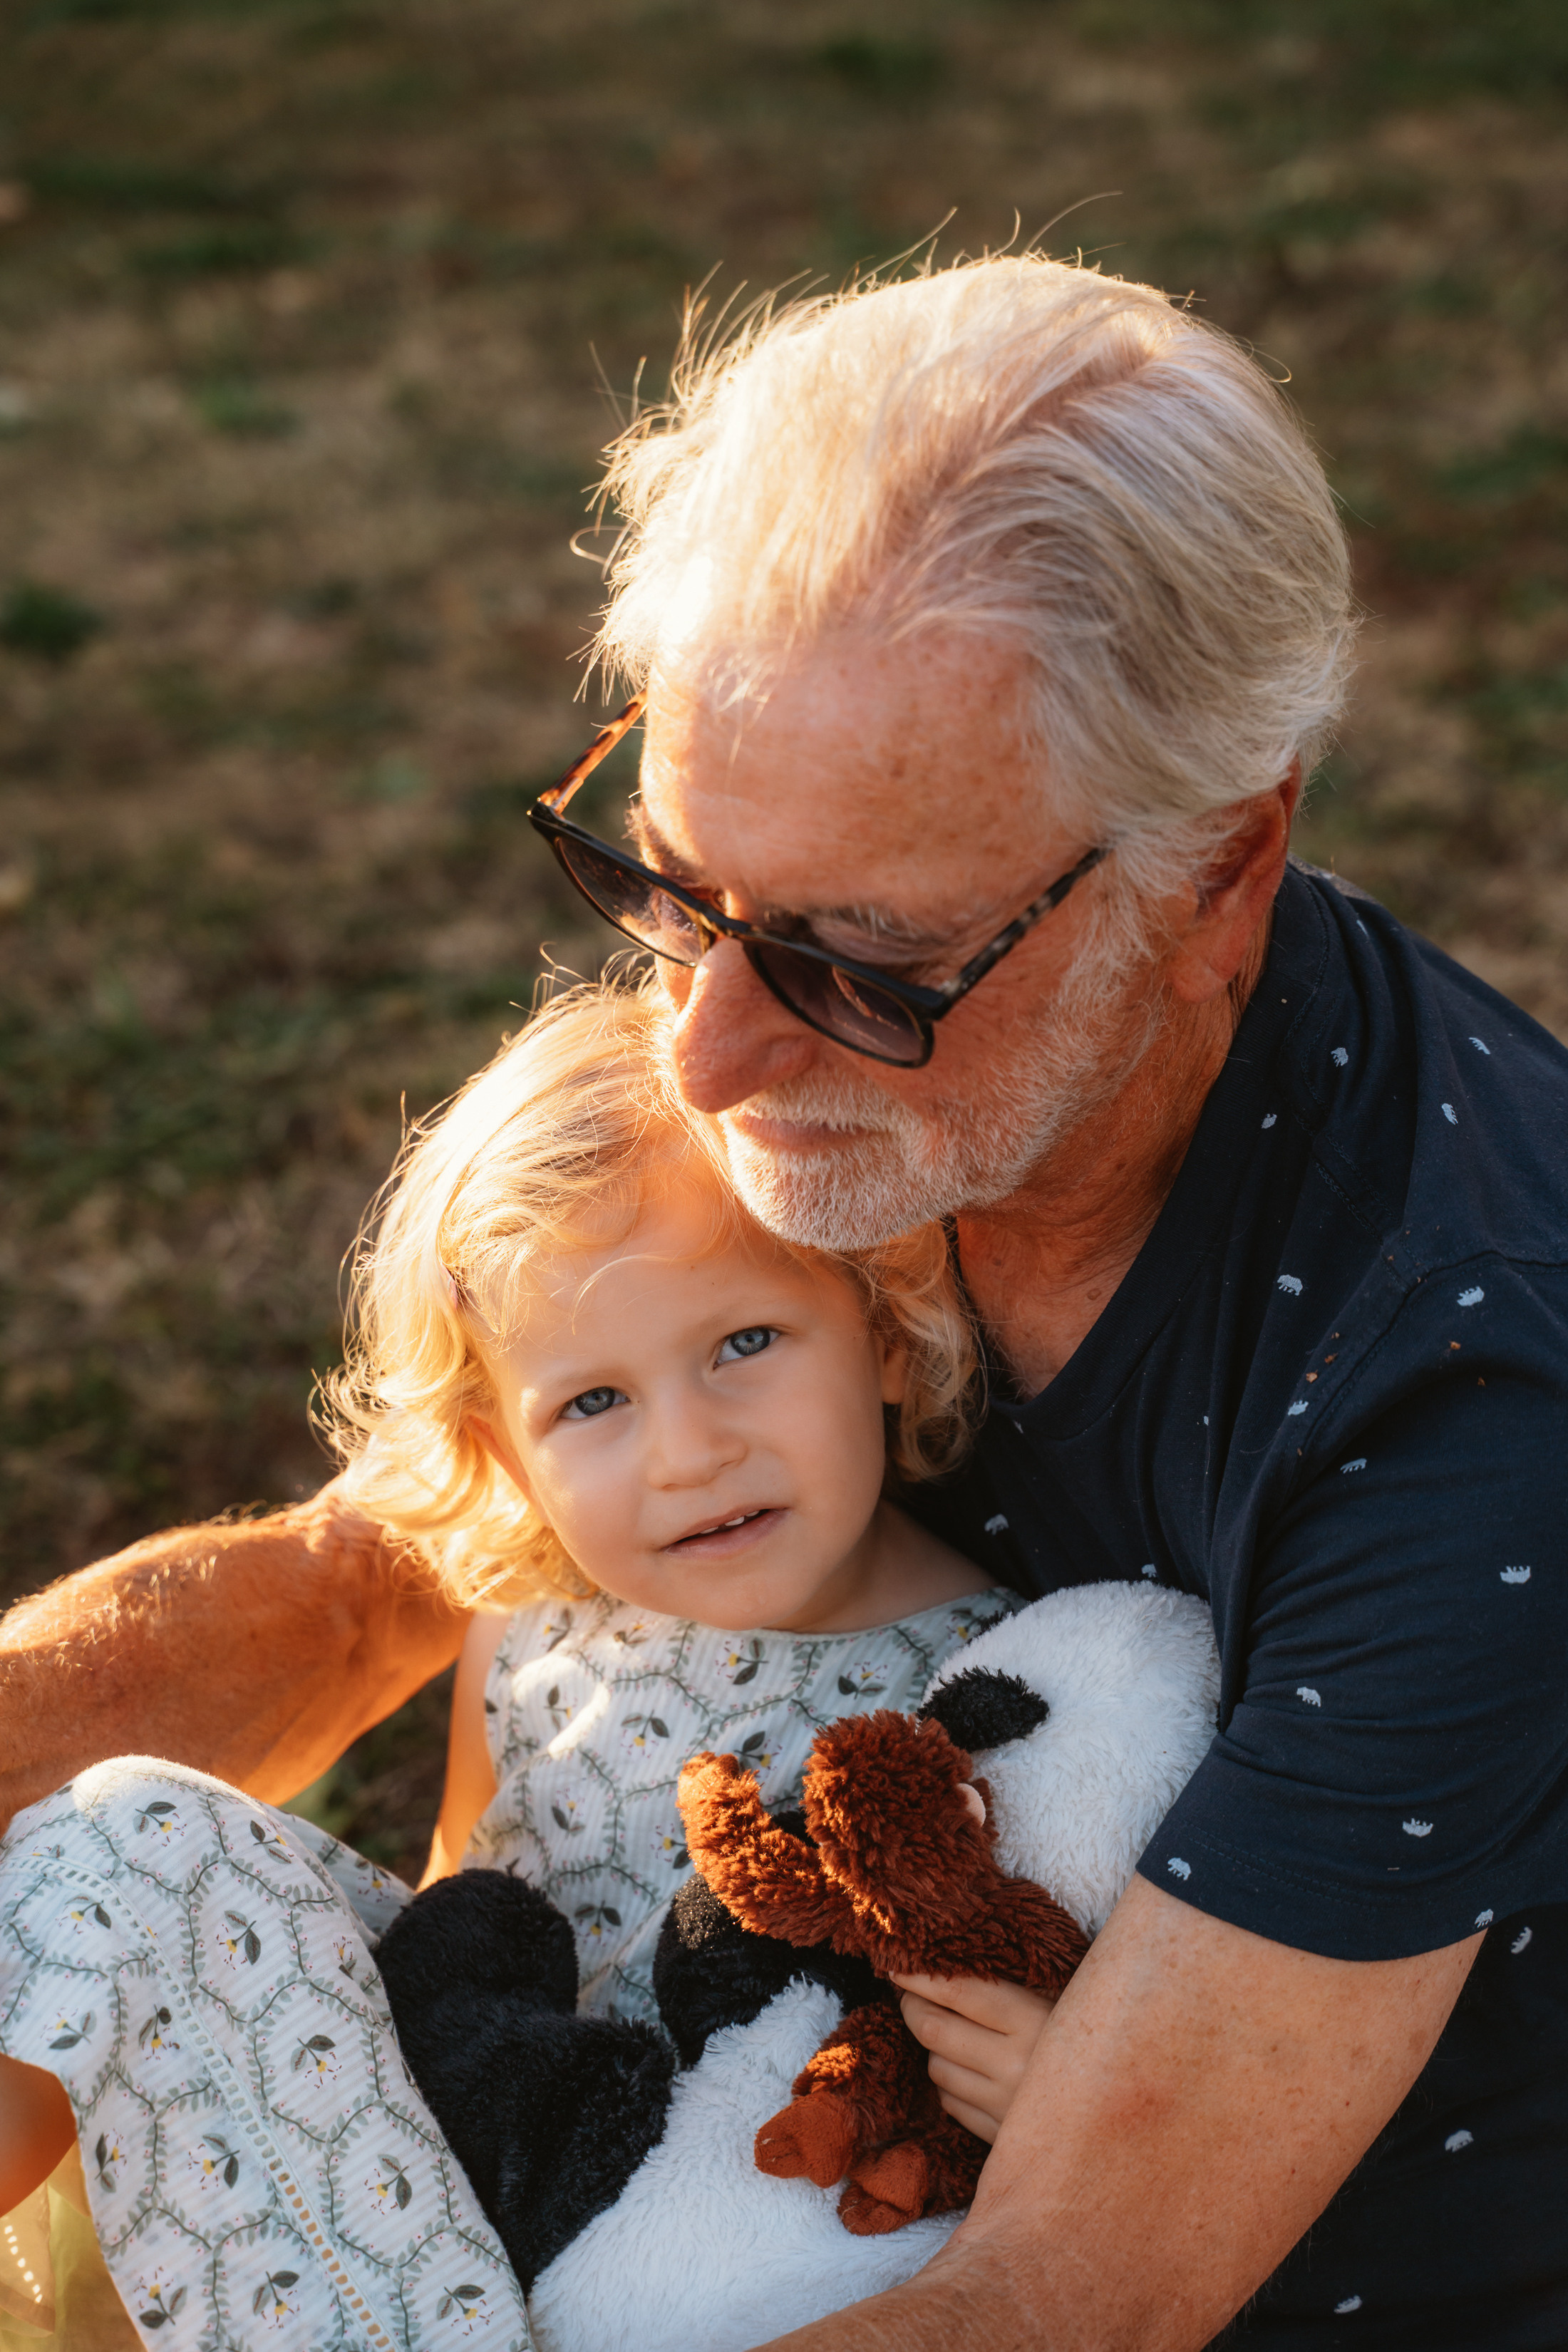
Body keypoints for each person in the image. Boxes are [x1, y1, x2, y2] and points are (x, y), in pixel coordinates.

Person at [3, 251, 1564, 2346]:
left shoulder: (1465, 1417)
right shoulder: (857, 1013)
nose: (710, 1058)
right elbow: (387, 1566)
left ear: (1219, 872)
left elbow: (1057, 2296)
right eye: (672, 888)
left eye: (853, 955)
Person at [0, 980, 1031, 2343]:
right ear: (507, 1457)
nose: (687, 1449)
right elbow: (456, 1934)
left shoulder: (1000, 1680)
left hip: (708, 2264)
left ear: (886, 1338)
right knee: (114, 1838)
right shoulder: (535, 1632)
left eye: (744, 1344)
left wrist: (1047, 2087)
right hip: (412, 2233)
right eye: (594, 1401)